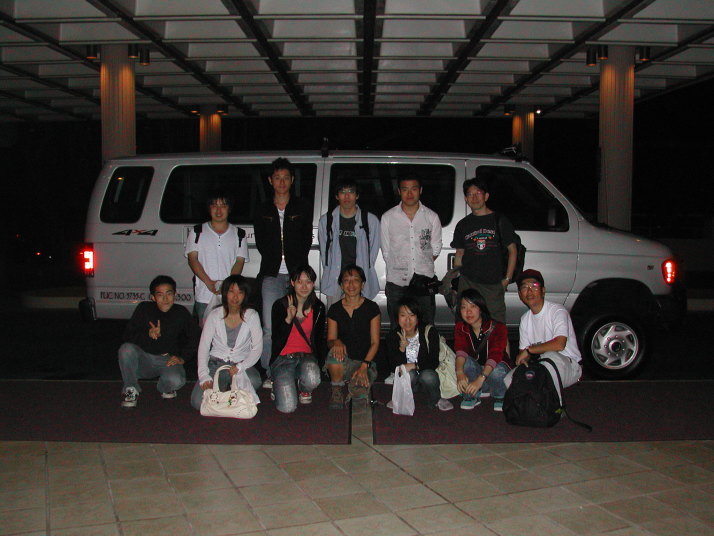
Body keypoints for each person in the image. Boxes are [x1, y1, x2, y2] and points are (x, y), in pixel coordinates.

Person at [254, 158, 313, 388]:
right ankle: (271, 371)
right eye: (277, 178)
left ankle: (298, 369)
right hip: (271, 275)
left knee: (298, 323)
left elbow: (306, 240)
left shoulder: (302, 206)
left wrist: (297, 272)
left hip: (296, 278)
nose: (281, 182)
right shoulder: (262, 208)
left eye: (286, 178)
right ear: (270, 180)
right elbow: (261, 242)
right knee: (270, 327)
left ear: (292, 180)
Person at [118, 275, 199, 408]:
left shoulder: (181, 313)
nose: (165, 299)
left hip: (167, 360)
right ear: (153, 297)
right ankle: (131, 388)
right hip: (144, 358)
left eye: (169, 294)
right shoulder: (144, 309)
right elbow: (127, 335)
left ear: (175, 295)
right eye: (160, 295)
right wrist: (148, 334)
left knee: (176, 381)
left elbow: (196, 337)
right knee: (126, 349)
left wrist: (182, 358)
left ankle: (165, 387)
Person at [190, 275, 263, 411]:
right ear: (225, 293)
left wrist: (241, 366)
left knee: (255, 381)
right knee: (197, 402)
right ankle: (225, 389)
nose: (235, 297)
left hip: (241, 365)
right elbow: (204, 346)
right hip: (216, 363)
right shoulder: (214, 315)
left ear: (245, 295)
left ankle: (225, 391)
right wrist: (204, 375)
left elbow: (257, 348)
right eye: (231, 291)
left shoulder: (252, 315)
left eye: (240, 292)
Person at [451, 177, 517, 323]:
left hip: (493, 284)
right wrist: (456, 280)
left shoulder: (500, 220)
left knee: (496, 324)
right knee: (465, 322)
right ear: (465, 199)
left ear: (486, 196)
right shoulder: (463, 225)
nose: (474, 197)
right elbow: (459, 253)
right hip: (468, 282)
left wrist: (507, 280)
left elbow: (512, 250)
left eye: (478, 193)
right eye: (470, 194)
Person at [380, 176, 442, 329]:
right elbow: (386, 252)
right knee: (397, 327)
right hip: (397, 283)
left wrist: (421, 264)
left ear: (420, 190)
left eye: (414, 189)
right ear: (399, 191)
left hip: (424, 281)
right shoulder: (388, 217)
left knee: (427, 327)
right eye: (405, 189)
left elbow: (436, 248)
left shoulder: (431, 217)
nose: (409, 194)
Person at [506, 268, 582, 390]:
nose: (529, 291)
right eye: (524, 287)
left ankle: (554, 402)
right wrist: (523, 360)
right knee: (509, 380)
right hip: (541, 364)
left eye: (534, 286)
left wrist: (529, 351)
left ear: (543, 290)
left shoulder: (557, 311)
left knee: (549, 359)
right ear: (520, 295)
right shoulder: (525, 319)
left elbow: (559, 344)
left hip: (569, 365)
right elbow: (523, 354)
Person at [186, 191, 249, 324]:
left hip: (229, 297)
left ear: (229, 208)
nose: (219, 210)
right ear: (209, 208)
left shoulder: (239, 234)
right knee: (205, 332)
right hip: (204, 295)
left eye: (223, 205)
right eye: (214, 205)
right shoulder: (197, 232)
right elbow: (192, 259)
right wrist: (208, 282)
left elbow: (239, 261)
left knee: (229, 330)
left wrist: (227, 286)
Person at [270, 265, 325, 413]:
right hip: (283, 357)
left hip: (306, 356)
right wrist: (288, 319)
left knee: (313, 378)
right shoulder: (280, 305)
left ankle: (303, 387)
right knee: (287, 407)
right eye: (300, 282)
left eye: (308, 282)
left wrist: (319, 364)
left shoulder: (318, 307)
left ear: (313, 284)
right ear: (292, 283)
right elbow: (276, 338)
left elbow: (319, 339)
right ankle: (277, 382)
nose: (304, 286)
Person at [318, 179, 380, 308]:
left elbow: (373, 252)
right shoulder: (327, 220)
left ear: (357, 195)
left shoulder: (370, 220)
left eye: (351, 192)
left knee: (360, 317)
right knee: (335, 316)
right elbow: (324, 252)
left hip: (359, 278)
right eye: (342, 192)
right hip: (335, 278)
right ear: (337, 196)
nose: (347, 196)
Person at [325, 264, 380, 409]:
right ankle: (337, 388)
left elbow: (375, 342)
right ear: (341, 285)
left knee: (359, 398)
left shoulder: (372, 308)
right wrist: (336, 342)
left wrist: (364, 366)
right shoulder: (335, 309)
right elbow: (330, 340)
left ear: (362, 284)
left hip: (365, 362)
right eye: (346, 280)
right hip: (344, 360)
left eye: (355, 280)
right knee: (335, 351)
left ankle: (356, 384)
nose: (351, 284)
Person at [385, 296, 453, 411]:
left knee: (428, 376)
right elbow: (393, 366)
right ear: (397, 318)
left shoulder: (429, 332)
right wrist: (401, 349)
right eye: (403, 315)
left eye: (411, 315)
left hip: (427, 377)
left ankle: (436, 399)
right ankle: (401, 398)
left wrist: (414, 365)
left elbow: (433, 362)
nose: (407, 320)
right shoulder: (393, 336)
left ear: (417, 317)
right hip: (409, 378)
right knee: (409, 374)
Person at [453, 288, 511, 411]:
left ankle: (500, 395)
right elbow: (461, 351)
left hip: (495, 370)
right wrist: (459, 373)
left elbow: (495, 355)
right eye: (464, 307)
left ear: (480, 308)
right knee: (464, 362)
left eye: (473, 306)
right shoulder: (460, 327)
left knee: (497, 370)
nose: (468, 311)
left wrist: (480, 379)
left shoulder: (498, 327)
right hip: (478, 371)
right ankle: (473, 394)